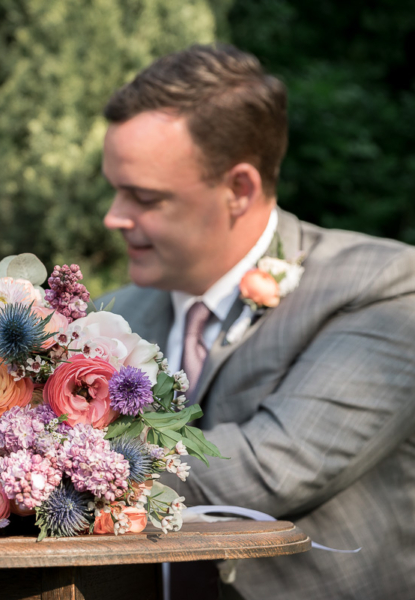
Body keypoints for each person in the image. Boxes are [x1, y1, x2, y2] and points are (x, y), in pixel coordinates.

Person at [96, 44, 415, 600]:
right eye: (115, 189)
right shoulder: (113, 317)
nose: (114, 216)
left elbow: (269, 470)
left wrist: (46, 466)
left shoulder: (384, 286)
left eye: (144, 197)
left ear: (238, 189)